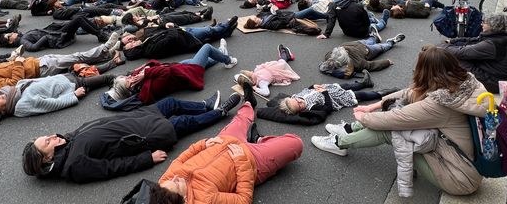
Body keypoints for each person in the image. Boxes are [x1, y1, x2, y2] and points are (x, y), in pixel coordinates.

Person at [311, 46, 488, 196]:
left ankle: (339, 143)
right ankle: (349, 130)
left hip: (459, 178)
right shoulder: (464, 84)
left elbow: (393, 119)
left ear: (425, 72)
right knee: (400, 118)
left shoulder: (440, 105)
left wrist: (364, 118)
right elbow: (410, 93)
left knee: (393, 131)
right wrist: (375, 105)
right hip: (462, 161)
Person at [21, 94, 242, 183]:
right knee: (183, 122)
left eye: (47, 136)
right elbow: (112, 168)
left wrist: (59, 139)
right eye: (47, 142)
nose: (52, 137)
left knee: (171, 103)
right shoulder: (74, 166)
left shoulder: (66, 142)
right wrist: (147, 158)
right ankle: (219, 112)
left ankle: (204, 105)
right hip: (143, 137)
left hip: (136, 118)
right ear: (47, 160)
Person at [148, 101, 303, 203]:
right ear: (185, 200)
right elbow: (243, 200)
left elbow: (179, 161)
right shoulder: (205, 200)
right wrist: (241, 162)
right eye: (177, 183)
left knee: (246, 109)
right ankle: (258, 140)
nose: (175, 177)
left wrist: (202, 144)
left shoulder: (164, 186)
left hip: (223, 141)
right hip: (251, 160)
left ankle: (250, 117)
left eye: (170, 180)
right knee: (296, 143)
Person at [0, 35, 122, 98]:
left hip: (37, 62)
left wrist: (15, 59)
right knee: (76, 58)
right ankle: (105, 49)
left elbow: (8, 70)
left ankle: (105, 53)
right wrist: (19, 62)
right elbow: (15, 82)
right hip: (39, 69)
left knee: (76, 60)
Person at [104, 41, 237, 106]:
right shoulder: (147, 90)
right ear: (130, 87)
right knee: (207, 48)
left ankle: (220, 53)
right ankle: (228, 60)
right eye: (127, 80)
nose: (129, 76)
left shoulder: (137, 80)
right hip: (186, 75)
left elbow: (154, 63)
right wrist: (146, 73)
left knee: (204, 62)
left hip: (178, 69)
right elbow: (164, 71)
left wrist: (142, 72)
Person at [0, 71, 116, 127]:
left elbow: (37, 81)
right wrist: (73, 95)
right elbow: (51, 105)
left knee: (101, 70)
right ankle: (129, 83)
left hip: (64, 78)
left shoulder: (12, 93)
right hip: (73, 86)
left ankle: (118, 64)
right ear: (2, 112)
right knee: (108, 78)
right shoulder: (21, 106)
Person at [441, 13, 507, 93]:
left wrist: (442, 46)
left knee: (455, 58)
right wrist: (452, 41)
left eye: (484, 22)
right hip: (501, 77)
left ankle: (452, 81)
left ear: (494, 26)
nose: (481, 24)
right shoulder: (504, 37)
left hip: (495, 84)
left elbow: (460, 52)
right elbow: (473, 40)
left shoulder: (493, 44)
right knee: (461, 53)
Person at [0, 15, 110, 51]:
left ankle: (99, 33)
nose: (11, 33)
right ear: (11, 41)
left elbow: (15, 28)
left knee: (79, 18)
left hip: (56, 34)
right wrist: (47, 37)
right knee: (78, 20)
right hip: (57, 38)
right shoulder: (22, 41)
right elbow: (34, 47)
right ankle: (100, 34)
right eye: (9, 35)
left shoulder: (21, 36)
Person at [317, 0, 390, 40]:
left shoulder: (334, 5)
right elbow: (366, 23)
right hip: (361, 33)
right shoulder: (358, 6)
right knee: (373, 26)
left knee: (368, 15)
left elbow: (331, 20)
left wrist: (326, 34)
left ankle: (373, 19)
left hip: (347, 32)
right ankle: (383, 21)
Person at [318, 34, 405, 79]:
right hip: (367, 51)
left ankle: (374, 37)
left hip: (356, 43)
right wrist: (386, 62)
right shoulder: (357, 64)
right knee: (382, 47)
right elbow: (371, 65)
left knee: (369, 40)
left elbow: (325, 65)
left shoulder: (329, 56)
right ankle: (391, 42)